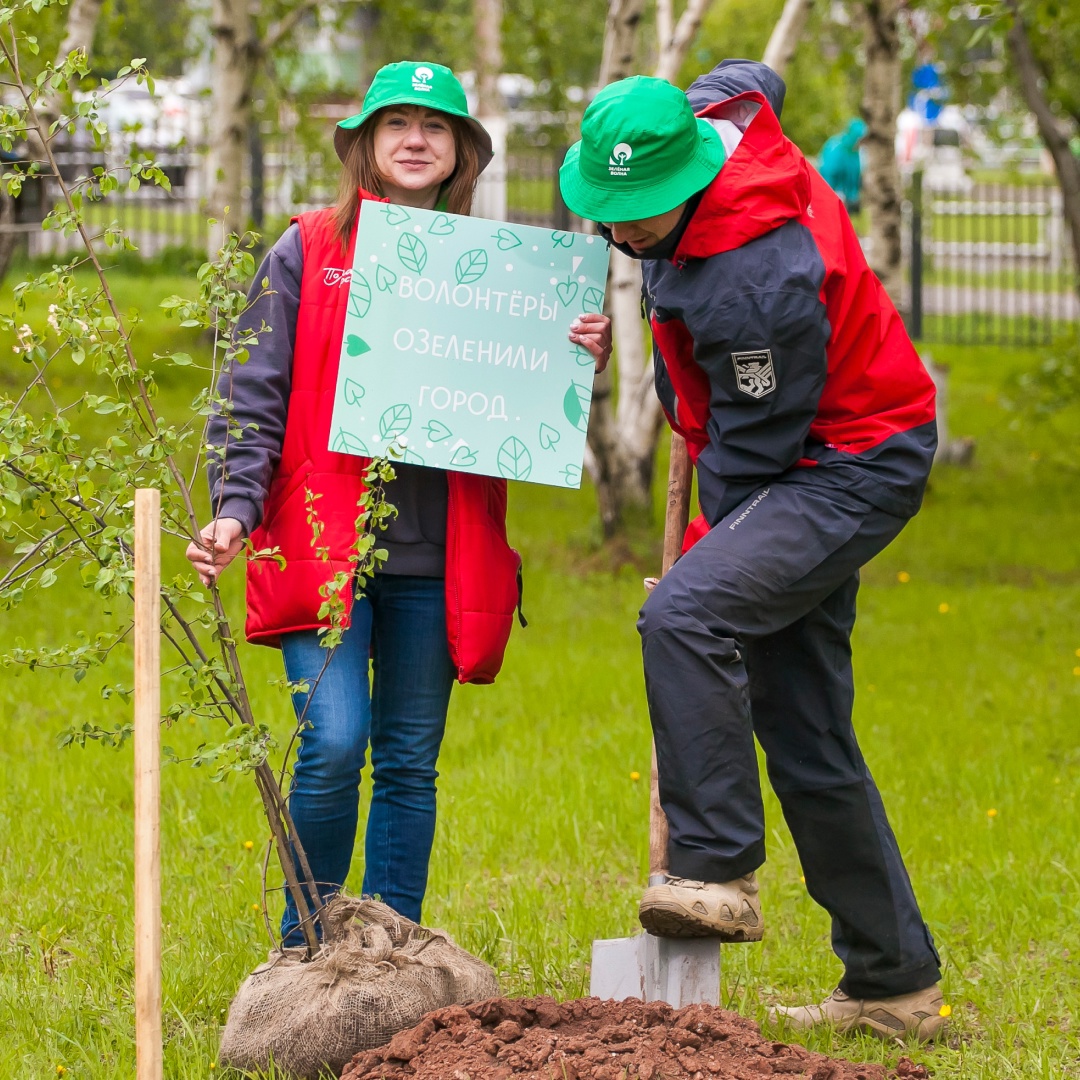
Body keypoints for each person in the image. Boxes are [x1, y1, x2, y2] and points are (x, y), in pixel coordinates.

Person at [558, 61, 946, 1041]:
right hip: (795, 453)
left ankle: (717, 867)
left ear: (693, 180)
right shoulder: (702, 122)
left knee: (685, 613)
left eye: (643, 216)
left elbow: (756, 458)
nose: (625, 230)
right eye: (614, 207)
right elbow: (749, 77)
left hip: (846, 461)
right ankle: (894, 985)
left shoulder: (755, 280)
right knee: (806, 730)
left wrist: (702, 561)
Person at [185, 60, 611, 946]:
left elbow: (526, 397)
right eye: (397, 125)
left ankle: (393, 957)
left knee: (410, 767)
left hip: (437, 559)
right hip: (321, 548)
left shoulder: (505, 270)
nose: (416, 140)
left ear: (460, 154)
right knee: (335, 744)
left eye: (436, 127)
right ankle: (306, 949)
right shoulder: (307, 249)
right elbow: (253, 393)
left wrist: (572, 351)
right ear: (367, 148)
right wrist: (234, 506)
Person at [818, 118, 867, 214]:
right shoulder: (836, 148)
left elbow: (855, 175)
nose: (861, 143)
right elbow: (829, 173)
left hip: (848, 198)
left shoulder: (855, 152)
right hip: (833, 193)